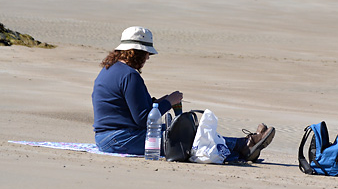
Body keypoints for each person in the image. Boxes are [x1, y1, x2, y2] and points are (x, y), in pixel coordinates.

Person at [92, 26, 276, 161]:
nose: (148, 58)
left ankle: (243, 146)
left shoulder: (109, 71)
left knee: (185, 133)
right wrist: (169, 102)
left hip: (108, 137)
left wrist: (162, 101)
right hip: (120, 138)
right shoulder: (130, 76)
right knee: (184, 136)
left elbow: (131, 109)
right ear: (137, 53)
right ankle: (244, 145)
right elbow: (142, 119)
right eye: (147, 54)